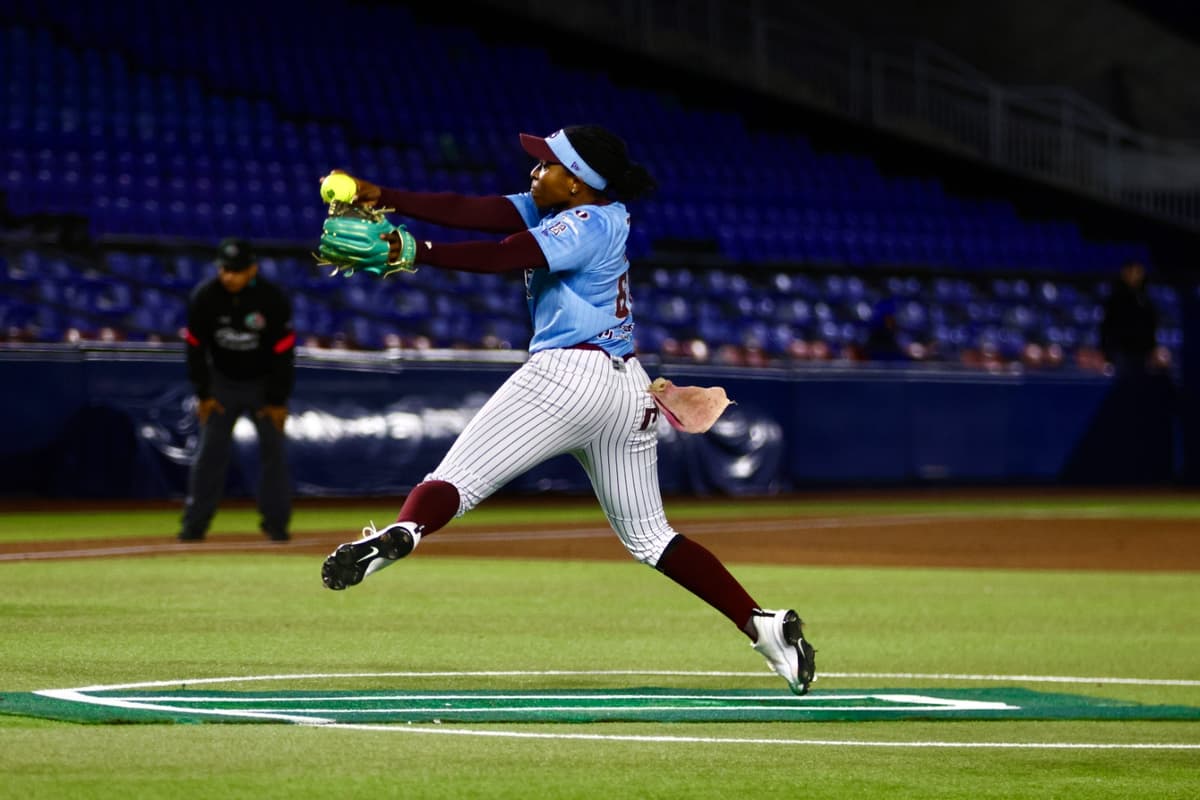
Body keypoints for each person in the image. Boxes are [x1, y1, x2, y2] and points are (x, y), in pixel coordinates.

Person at [317, 125, 815, 694]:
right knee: (652, 538)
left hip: (567, 377)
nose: (535, 171)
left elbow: (506, 254)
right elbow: (472, 210)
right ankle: (762, 625)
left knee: (454, 481)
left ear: (577, 183)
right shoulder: (579, 210)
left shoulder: (588, 223)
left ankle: (405, 532)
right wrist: (387, 195)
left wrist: (413, 250)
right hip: (629, 392)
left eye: (547, 164)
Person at [178, 237, 296, 542]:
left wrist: (276, 399)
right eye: (224, 269)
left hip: (263, 384)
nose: (228, 276)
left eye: (236, 270)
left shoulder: (271, 299)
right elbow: (194, 347)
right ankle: (194, 525)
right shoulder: (205, 296)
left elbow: (283, 352)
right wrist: (203, 394)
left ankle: (277, 525)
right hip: (222, 384)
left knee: (273, 453)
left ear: (251, 270)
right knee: (209, 454)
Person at [1099, 260, 1158, 375]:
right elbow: (1107, 326)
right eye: (1131, 271)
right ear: (1124, 273)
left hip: (1142, 351)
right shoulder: (1115, 299)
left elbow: (1151, 325)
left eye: (1138, 272)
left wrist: (1152, 347)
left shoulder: (1145, 299)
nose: (1135, 275)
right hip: (1122, 350)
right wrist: (1108, 352)